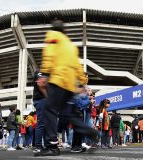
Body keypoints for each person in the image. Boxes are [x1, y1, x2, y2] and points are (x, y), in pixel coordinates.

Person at [35, 20, 98, 157]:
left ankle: (52, 145)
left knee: (49, 109)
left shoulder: (53, 36)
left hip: (57, 80)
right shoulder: (70, 46)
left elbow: (49, 55)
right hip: (69, 84)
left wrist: (44, 74)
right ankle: (90, 132)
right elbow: (77, 66)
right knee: (66, 114)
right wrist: (81, 82)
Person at [33, 71, 47, 153]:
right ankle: (38, 146)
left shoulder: (47, 73)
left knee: (46, 124)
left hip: (42, 100)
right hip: (41, 100)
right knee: (41, 123)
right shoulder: (40, 72)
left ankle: (45, 145)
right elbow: (40, 84)